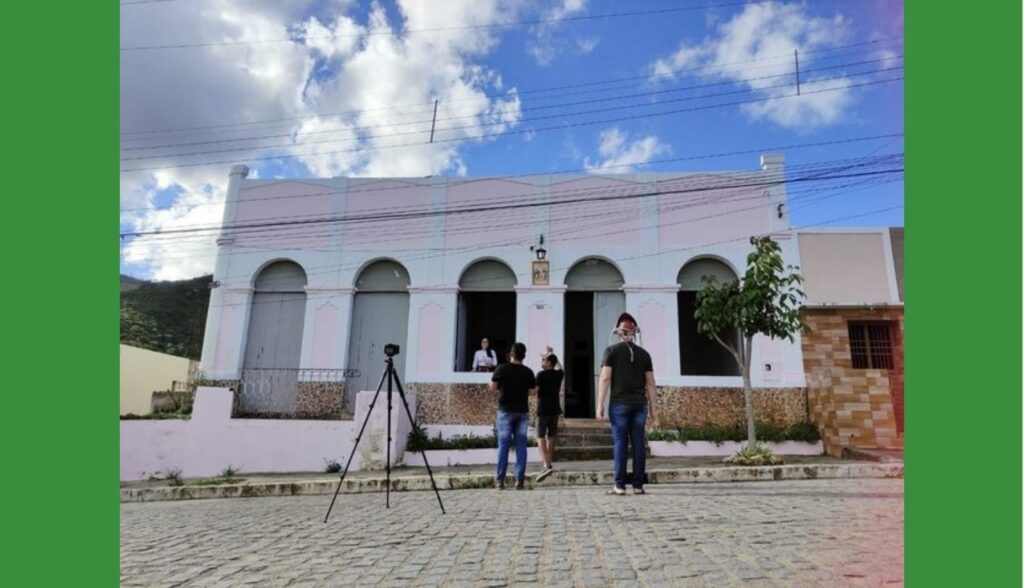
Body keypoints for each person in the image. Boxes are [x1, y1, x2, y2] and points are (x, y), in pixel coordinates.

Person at [596, 312, 657, 496]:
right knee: (638, 443)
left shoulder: (611, 351)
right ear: (634, 333)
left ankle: (620, 486)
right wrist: (654, 411)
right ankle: (638, 486)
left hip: (619, 404)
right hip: (639, 404)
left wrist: (600, 404)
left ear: (619, 332)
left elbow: (605, 378)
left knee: (620, 443)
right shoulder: (644, 355)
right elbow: (651, 383)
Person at [490, 342, 536, 490]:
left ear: (511, 354)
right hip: (522, 411)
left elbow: (493, 387)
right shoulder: (528, 372)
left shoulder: (501, 369)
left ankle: (500, 481)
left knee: (503, 446)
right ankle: (519, 480)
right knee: (521, 446)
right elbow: (531, 391)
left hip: (505, 411)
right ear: (524, 356)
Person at [534, 353, 564, 482]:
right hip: (555, 408)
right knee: (551, 436)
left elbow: (535, 390)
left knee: (540, 436)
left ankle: (546, 464)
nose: (542, 361)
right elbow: (560, 366)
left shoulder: (540, 375)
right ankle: (549, 462)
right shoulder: (559, 375)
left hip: (543, 409)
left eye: (544, 360)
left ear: (549, 363)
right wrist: (551, 354)